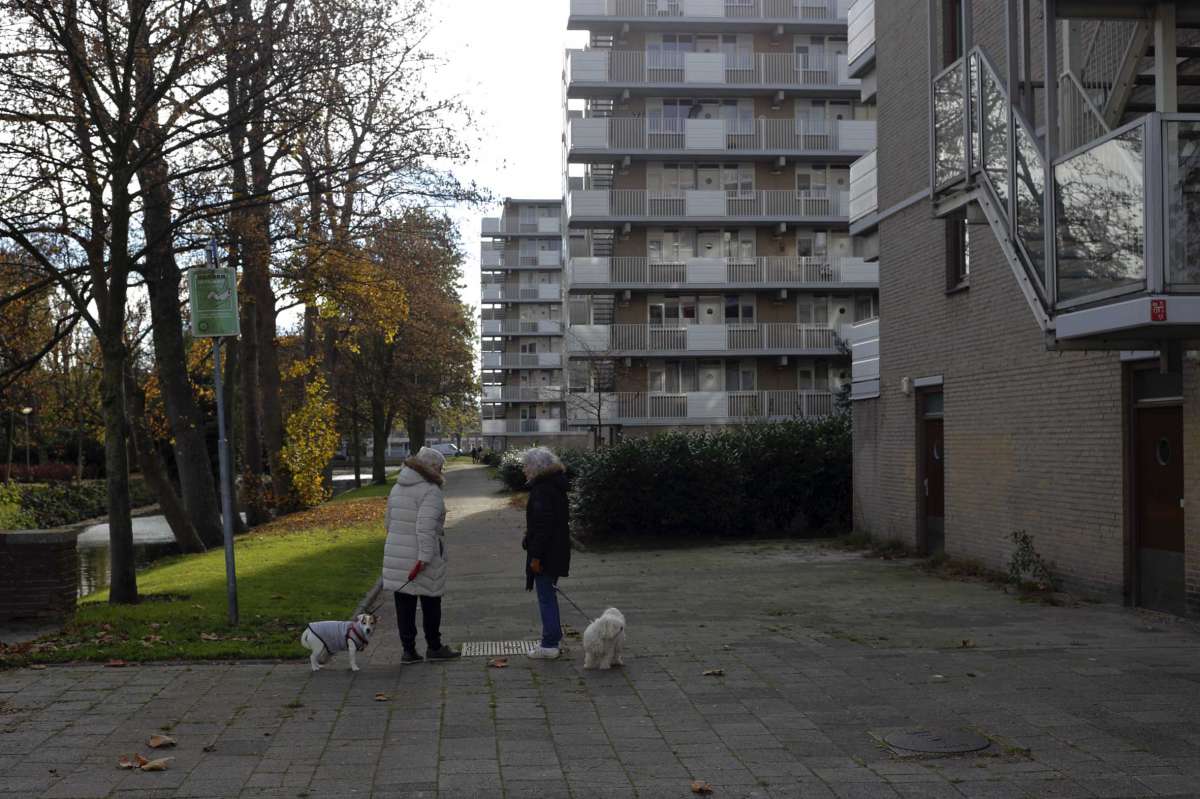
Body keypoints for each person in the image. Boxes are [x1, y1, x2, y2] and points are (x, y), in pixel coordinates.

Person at [382, 446, 460, 663]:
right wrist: (424, 557)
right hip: (420, 554)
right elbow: (425, 527)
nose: (442, 471)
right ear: (432, 467)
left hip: (396, 552)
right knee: (431, 600)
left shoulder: (397, 487)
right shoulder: (430, 490)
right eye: (441, 467)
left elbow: (388, 522)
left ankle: (408, 650)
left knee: (404, 604)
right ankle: (434, 647)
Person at [522, 447, 571, 660]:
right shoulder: (555, 486)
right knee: (549, 594)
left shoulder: (542, 490)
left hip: (546, 553)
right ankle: (553, 638)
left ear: (536, 467)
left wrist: (535, 556)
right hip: (557, 549)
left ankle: (550, 643)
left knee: (546, 597)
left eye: (526, 465)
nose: (524, 470)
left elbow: (542, 526)